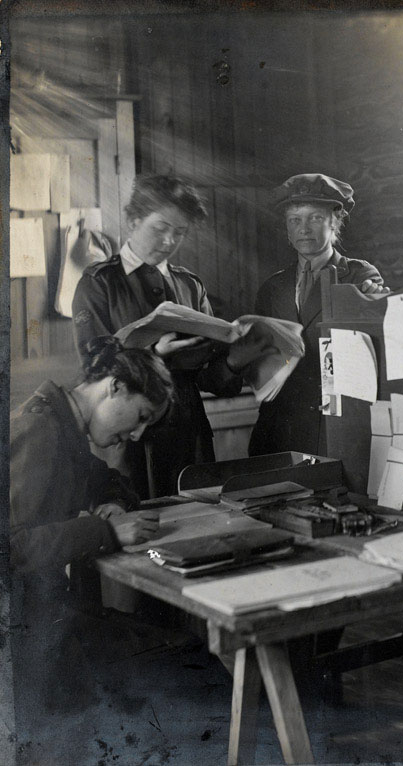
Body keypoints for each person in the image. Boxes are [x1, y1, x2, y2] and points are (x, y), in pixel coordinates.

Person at [10, 336, 176, 729]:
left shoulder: (62, 425)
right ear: (115, 386)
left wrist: (113, 504)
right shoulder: (39, 428)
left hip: (43, 617)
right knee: (186, 662)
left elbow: (106, 480)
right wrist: (105, 531)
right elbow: (11, 549)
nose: (137, 435)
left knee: (170, 649)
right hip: (24, 637)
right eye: (140, 416)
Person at [72, 174, 266, 497]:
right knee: (142, 535)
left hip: (190, 443)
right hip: (130, 442)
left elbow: (212, 380)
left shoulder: (190, 286)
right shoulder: (99, 284)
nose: (168, 242)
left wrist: (234, 360)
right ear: (133, 221)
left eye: (179, 233)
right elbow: (94, 372)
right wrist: (155, 356)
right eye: (160, 229)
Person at [249, 173, 389, 457]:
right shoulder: (273, 287)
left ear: (334, 222)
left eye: (315, 218)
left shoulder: (359, 276)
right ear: (287, 229)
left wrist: (377, 303)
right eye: (295, 220)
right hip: (280, 430)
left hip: (333, 426)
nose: (304, 229)